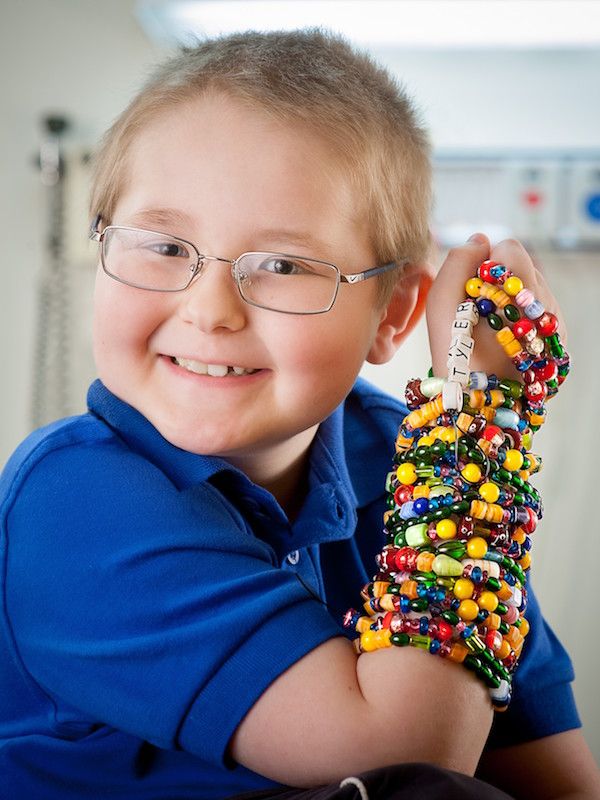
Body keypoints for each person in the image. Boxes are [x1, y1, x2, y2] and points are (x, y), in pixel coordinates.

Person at [0, 28, 598, 800]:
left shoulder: (408, 467)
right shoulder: (72, 502)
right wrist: (481, 413)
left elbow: (557, 783)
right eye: (164, 246)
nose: (209, 310)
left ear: (393, 315)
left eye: (283, 265)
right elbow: (412, 762)